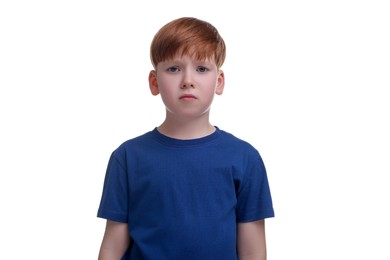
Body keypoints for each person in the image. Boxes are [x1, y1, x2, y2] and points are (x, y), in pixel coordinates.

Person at [97, 17, 274, 260]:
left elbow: (253, 252)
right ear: (154, 81)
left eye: (201, 69)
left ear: (219, 81)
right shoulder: (127, 158)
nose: (187, 80)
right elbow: (112, 247)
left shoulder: (245, 158)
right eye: (173, 69)